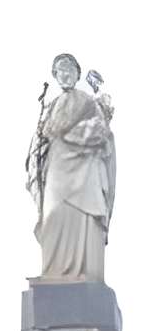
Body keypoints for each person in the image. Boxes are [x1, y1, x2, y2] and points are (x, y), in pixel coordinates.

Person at [29, 53, 116, 282]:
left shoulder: (88, 102)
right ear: (55, 76)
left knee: (83, 222)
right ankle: (55, 273)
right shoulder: (51, 106)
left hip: (84, 172)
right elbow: (40, 143)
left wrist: (70, 134)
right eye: (60, 70)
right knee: (53, 216)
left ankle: (84, 273)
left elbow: (100, 133)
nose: (65, 73)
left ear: (78, 74)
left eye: (69, 68)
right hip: (57, 172)